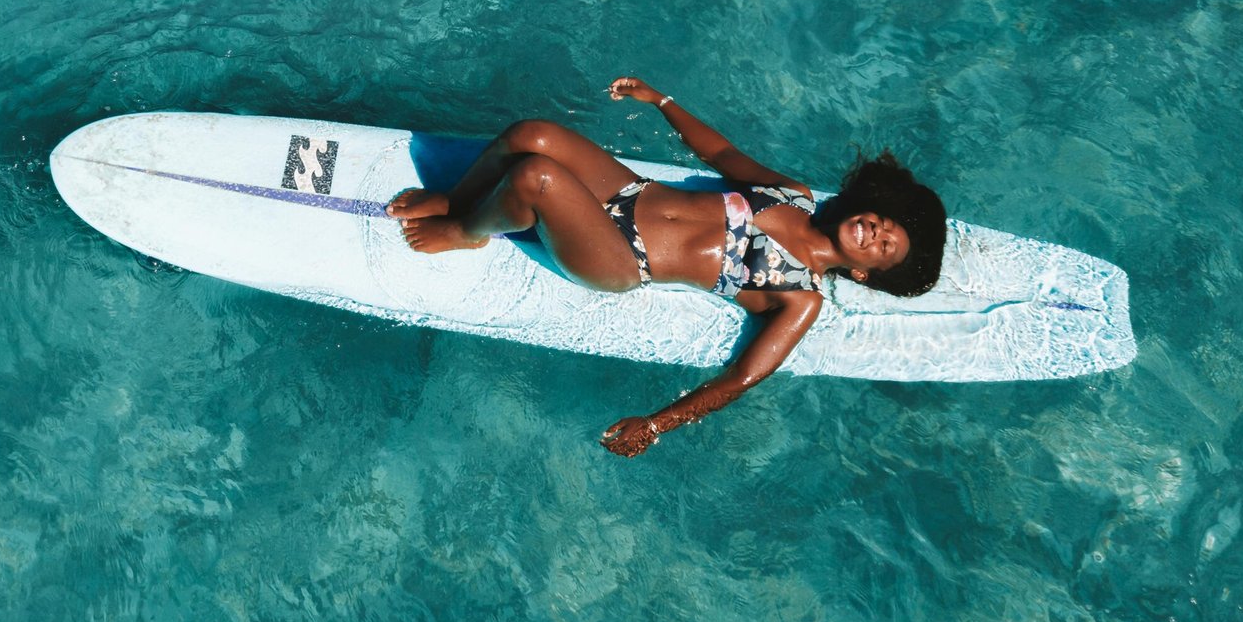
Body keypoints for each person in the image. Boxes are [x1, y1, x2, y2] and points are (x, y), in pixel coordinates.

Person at [385, 77, 947, 457]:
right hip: (629, 191)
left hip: (621, 258)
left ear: (865, 273)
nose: (876, 232)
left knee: (538, 176)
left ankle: (463, 230)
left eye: (884, 247)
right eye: (883, 223)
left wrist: (655, 425)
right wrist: (661, 101)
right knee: (532, 134)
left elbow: (742, 378)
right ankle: (461, 200)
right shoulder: (792, 196)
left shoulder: (800, 297)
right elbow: (722, 157)